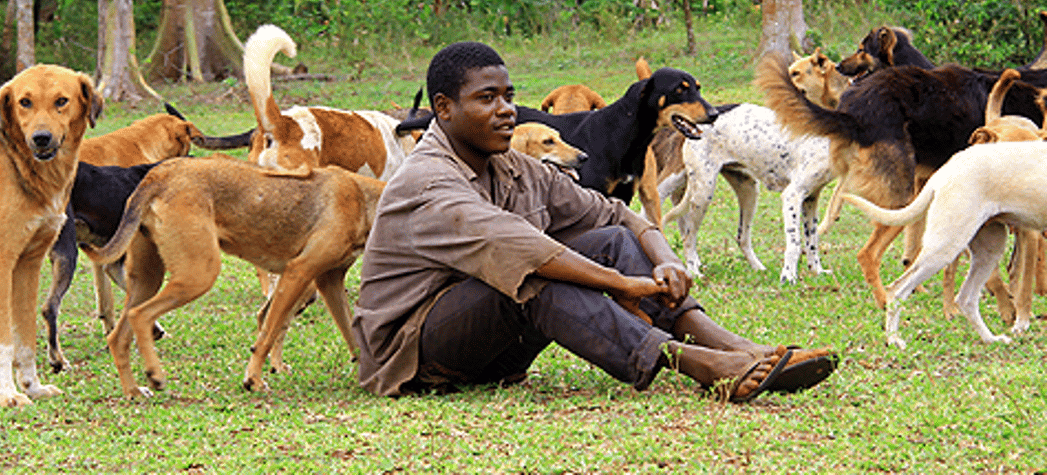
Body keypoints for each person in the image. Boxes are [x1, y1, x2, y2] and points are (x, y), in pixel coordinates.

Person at [352, 41, 836, 400]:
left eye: (508, 96)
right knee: (537, 280)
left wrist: (665, 261)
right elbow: (529, 252)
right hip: (414, 353)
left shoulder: (510, 165)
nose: (504, 111)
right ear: (444, 109)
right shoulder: (429, 181)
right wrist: (623, 283)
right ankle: (695, 363)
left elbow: (615, 212)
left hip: (488, 345)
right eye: (486, 99)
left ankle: (732, 345)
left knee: (611, 238)